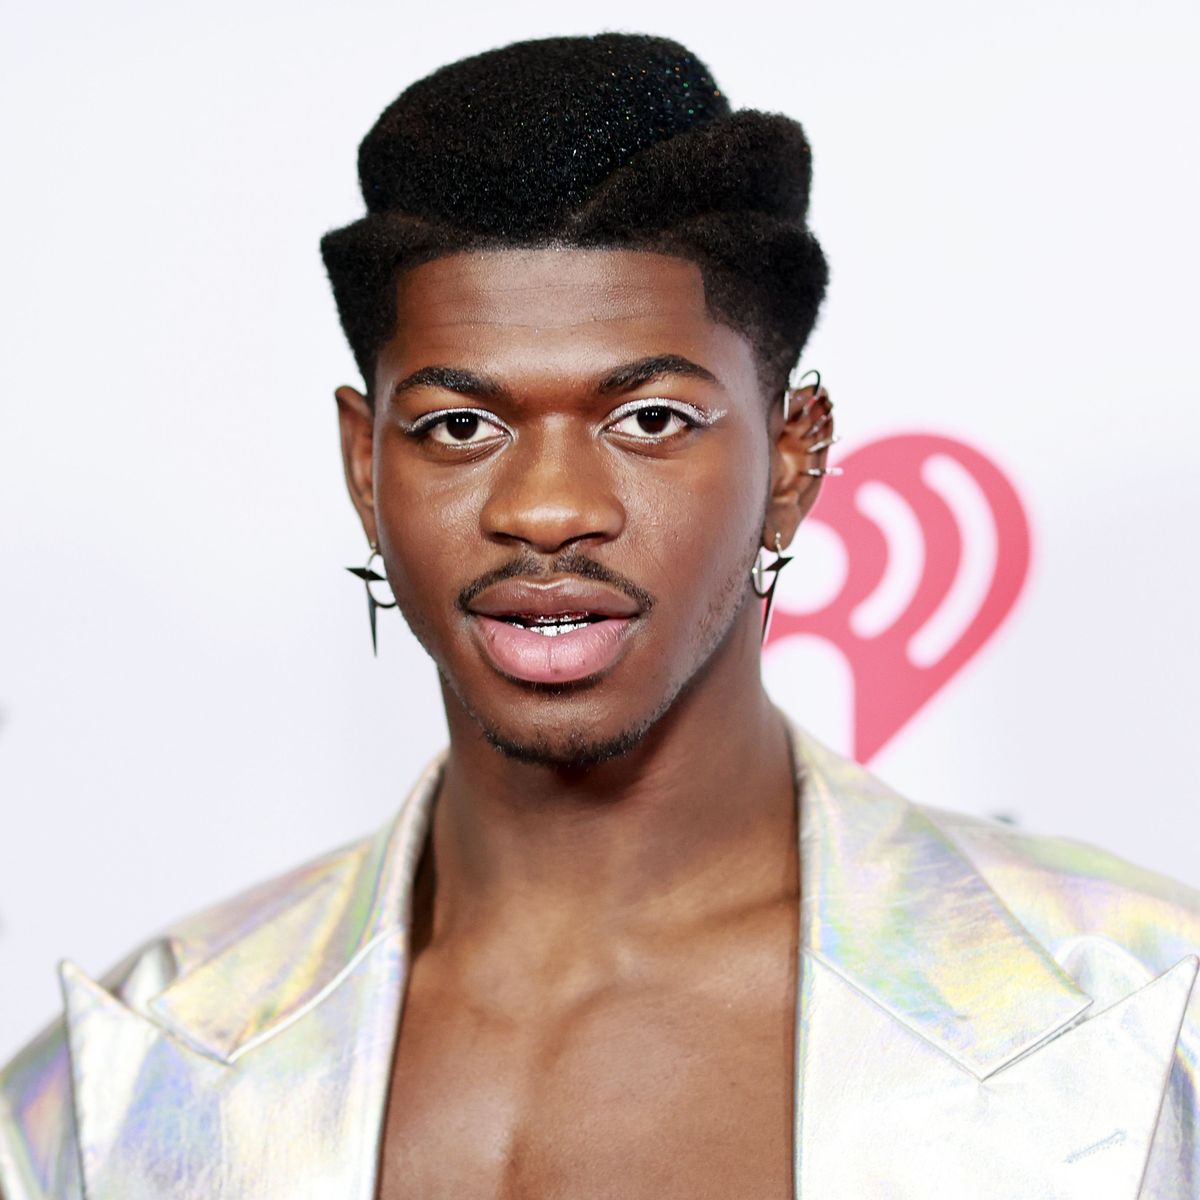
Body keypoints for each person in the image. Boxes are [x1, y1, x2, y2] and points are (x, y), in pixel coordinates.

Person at [2, 31, 1197, 1200]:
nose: (548, 510)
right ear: (365, 465)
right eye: (459, 427)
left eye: (651, 420)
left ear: (793, 457)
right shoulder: (131, 1081)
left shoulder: (1148, 1024)